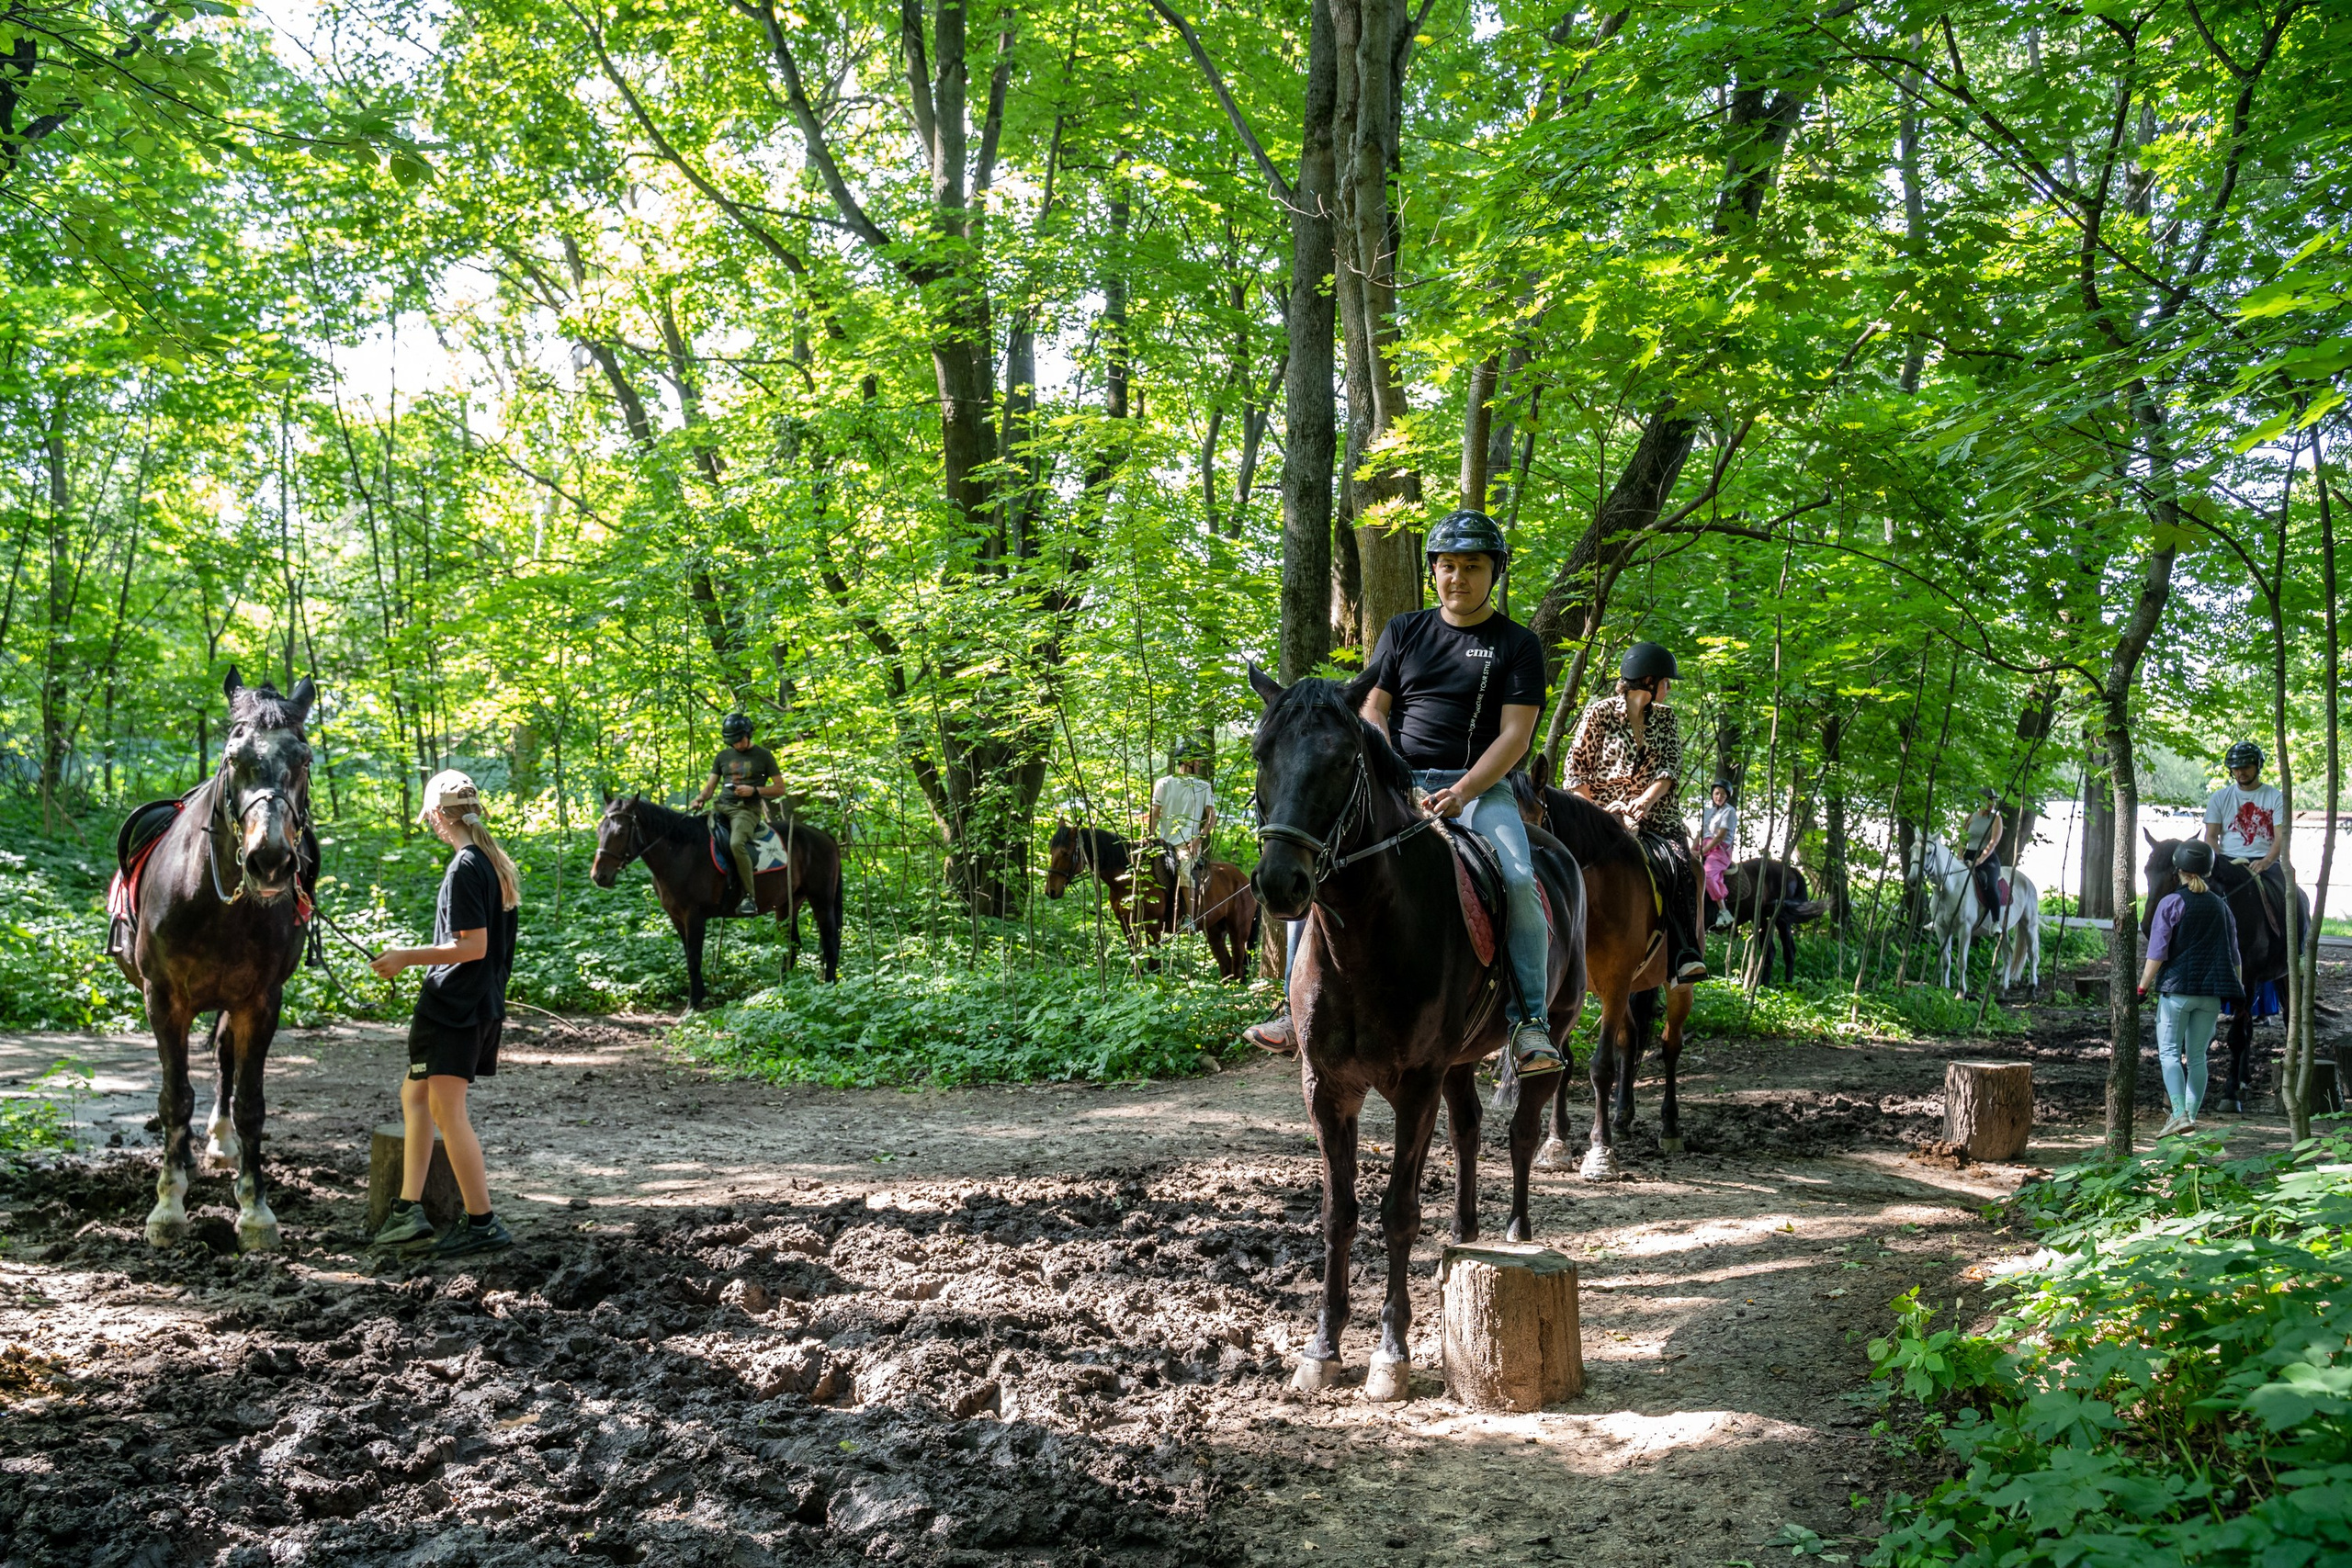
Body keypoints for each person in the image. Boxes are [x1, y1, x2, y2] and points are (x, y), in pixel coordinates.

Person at [1244, 509, 1558, 1073]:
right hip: (1398, 786)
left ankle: (1528, 1021)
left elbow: (1515, 736)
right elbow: (1373, 709)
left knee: (1516, 879)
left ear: (1495, 572)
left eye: (1472, 566)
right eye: (1446, 566)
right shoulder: (1404, 631)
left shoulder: (1518, 645)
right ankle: (1294, 1012)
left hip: (1482, 793)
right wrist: (1396, 776)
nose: (1457, 577)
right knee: (1315, 863)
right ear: (1432, 571)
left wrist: (1463, 792)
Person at [369, 771, 523, 1257]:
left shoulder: (465, 867)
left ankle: (482, 1221)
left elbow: (472, 947)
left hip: (454, 1008)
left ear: (438, 816)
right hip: (472, 1005)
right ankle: (406, 1210)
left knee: (447, 1112)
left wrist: (404, 957)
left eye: (431, 817)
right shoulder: (493, 862)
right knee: (414, 1096)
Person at [1565, 642, 1709, 986]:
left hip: (1656, 818)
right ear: (1648, 680)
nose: (1669, 688)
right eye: (1665, 681)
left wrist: (1643, 802)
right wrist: (1600, 813)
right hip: (1596, 817)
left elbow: (1671, 767)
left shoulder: (1666, 718)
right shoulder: (1598, 713)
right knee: (1555, 862)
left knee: (1683, 867)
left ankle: (1684, 953)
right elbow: (1576, 772)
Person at [2136, 840, 2243, 1136]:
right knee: (2198, 1058)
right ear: (2207, 871)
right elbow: (2235, 956)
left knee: (2169, 1053)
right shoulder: (2223, 908)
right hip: (2210, 998)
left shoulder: (2170, 904)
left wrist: (2142, 987)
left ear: (2178, 871)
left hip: (2177, 992)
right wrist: (2239, 988)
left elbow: (2157, 952)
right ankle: (2190, 1119)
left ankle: (2180, 1114)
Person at [692, 711, 783, 916]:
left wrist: (755, 791)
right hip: (721, 806)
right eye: (732, 741)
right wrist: (699, 798)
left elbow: (779, 788)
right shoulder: (723, 756)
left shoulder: (764, 756)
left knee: (736, 843)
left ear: (748, 734)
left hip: (746, 810)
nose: (736, 745)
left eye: (739, 740)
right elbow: (709, 787)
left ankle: (749, 897)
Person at [2203, 740, 2288, 923]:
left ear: (2258, 765)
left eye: (2246, 767)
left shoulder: (2275, 797)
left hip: (2265, 862)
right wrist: (2217, 862)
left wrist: (2266, 861)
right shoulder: (2219, 797)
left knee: (2288, 897)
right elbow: (2210, 836)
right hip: (2227, 860)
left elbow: (2281, 837)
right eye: (2236, 768)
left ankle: (2293, 943)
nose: (2241, 772)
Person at [1145, 742, 1217, 921]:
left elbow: (1212, 817)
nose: (1200, 763)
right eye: (1197, 759)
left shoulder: (1203, 786)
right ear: (1187, 760)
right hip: (1163, 842)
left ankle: (1190, 920)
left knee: (1184, 872)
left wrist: (1198, 840)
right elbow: (1155, 813)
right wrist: (1150, 837)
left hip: (1188, 843)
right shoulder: (1164, 783)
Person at [1696, 779, 1738, 927]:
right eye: (1716, 793)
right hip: (1705, 845)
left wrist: (1702, 852)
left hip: (1719, 850)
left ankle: (1723, 911)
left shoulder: (1729, 811)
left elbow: (1720, 836)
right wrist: (1692, 849)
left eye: (1722, 794)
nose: (1719, 796)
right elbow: (1700, 832)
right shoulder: (1708, 811)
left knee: (1707, 874)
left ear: (1727, 796)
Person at [1960, 787, 2005, 921]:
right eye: (1989, 801)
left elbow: (1994, 841)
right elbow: (1963, 839)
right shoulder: (1970, 818)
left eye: (1994, 801)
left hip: (1988, 858)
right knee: (1949, 880)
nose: (1992, 804)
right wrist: (1960, 855)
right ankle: (1938, 915)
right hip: (1969, 855)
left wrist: (1981, 859)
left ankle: (1996, 921)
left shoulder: (1996, 819)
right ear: (1981, 801)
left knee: (1990, 885)